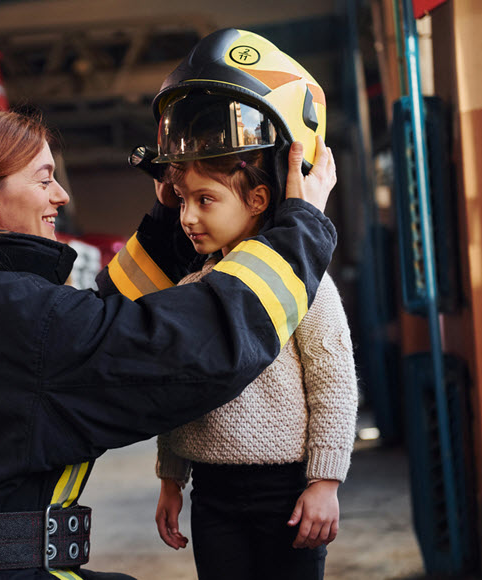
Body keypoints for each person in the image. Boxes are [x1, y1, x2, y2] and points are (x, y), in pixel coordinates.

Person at [0, 84, 336, 579]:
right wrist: (301, 229)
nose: (61, 195)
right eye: (44, 180)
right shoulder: (15, 312)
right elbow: (190, 348)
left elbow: (97, 323)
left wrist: (172, 227)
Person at [141, 29, 357, 580]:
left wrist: (325, 483)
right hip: (212, 494)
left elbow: (334, 380)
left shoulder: (305, 284)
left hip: (287, 492)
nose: (187, 217)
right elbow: (181, 390)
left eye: (205, 200)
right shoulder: (192, 288)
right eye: (183, 200)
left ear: (259, 198)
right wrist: (172, 477)